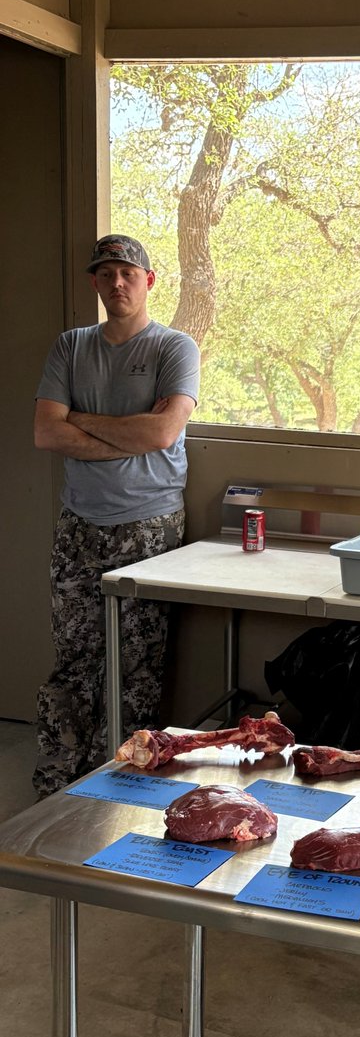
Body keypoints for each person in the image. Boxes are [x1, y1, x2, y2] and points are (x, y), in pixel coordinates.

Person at [32, 234, 201, 798]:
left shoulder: (174, 348)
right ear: (95, 283)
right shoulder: (71, 346)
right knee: (74, 662)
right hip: (78, 525)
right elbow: (45, 431)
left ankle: (123, 787)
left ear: (149, 281)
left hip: (150, 528)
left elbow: (162, 431)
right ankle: (60, 785)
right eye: (106, 274)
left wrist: (81, 420)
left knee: (136, 668)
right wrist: (126, 431)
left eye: (128, 272)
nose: (117, 283)